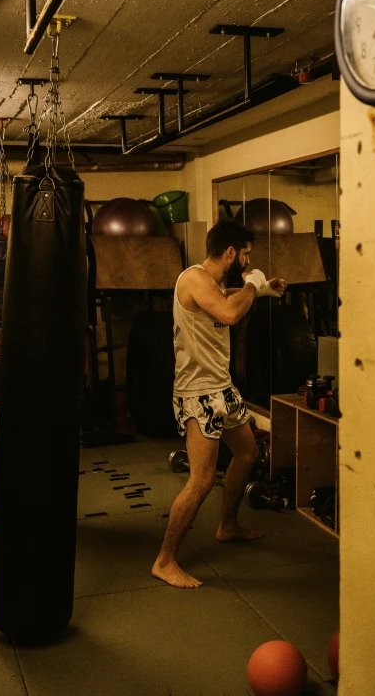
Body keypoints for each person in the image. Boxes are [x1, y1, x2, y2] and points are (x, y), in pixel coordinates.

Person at [152, 220, 287, 588]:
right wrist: (252, 284)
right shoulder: (193, 279)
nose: (246, 259)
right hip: (198, 395)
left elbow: (224, 298)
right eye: (245, 253)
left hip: (222, 389)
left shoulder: (210, 284)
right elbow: (228, 312)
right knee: (201, 480)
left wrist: (262, 290)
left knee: (246, 454)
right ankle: (165, 561)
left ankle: (227, 525)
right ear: (230, 252)